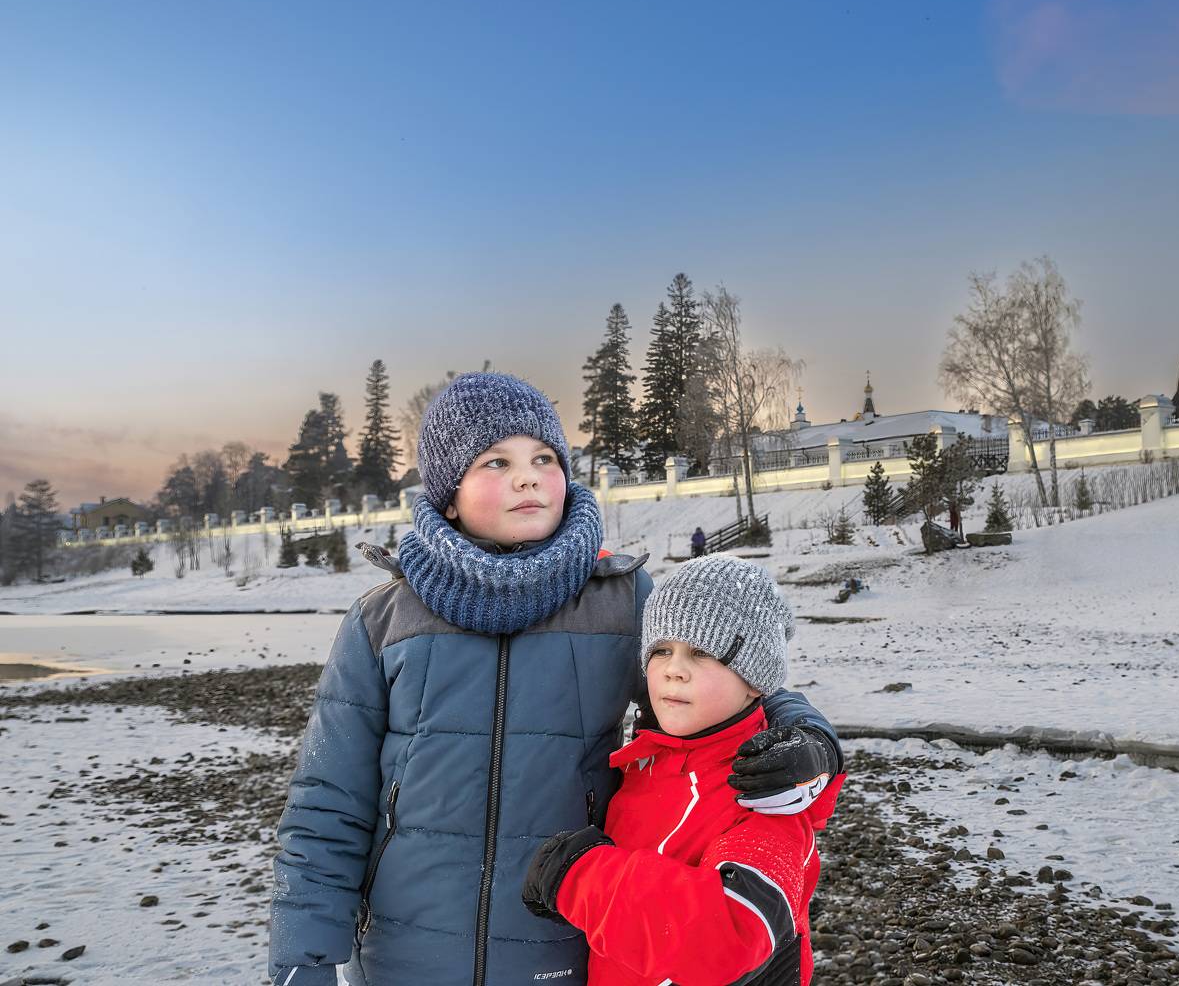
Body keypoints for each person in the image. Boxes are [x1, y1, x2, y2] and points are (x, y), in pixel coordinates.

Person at [267, 373, 841, 986]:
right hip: (404, 954)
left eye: (544, 458)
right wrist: (304, 957)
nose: (528, 477)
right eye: (496, 461)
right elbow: (328, 800)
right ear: (448, 496)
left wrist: (808, 737)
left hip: (565, 940)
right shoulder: (382, 619)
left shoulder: (619, 602)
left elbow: (724, 686)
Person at [521, 555, 842, 985]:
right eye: (661, 650)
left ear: (755, 679)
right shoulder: (648, 762)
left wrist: (580, 879)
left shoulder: (764, 793)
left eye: (701, 652)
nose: (674, 670)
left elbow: (732, 930)